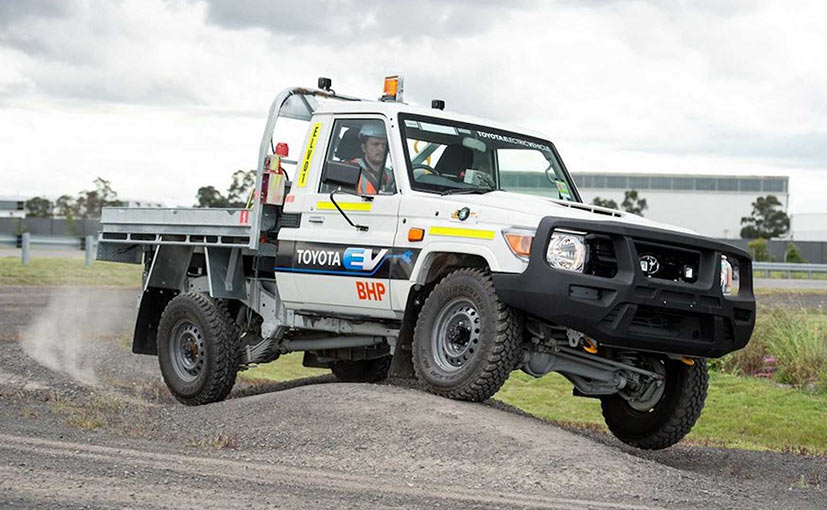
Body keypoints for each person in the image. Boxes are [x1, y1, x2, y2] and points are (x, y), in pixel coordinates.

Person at [352, 122, 394, 195]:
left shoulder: (390, 175)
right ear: (364, 147)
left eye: (384, 145)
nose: (381, 149)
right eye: (375, 144)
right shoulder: (350, 169)